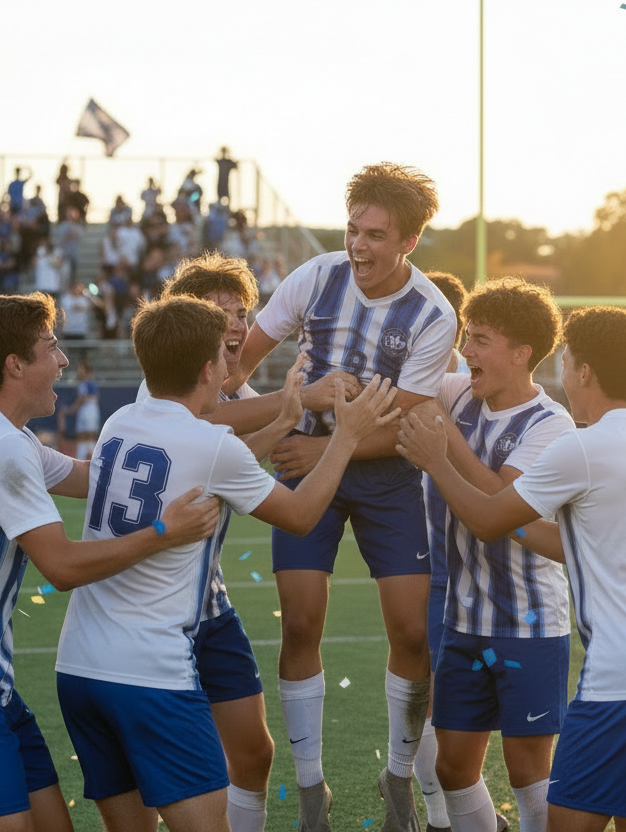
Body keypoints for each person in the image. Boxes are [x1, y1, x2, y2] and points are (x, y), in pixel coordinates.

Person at [55, 295, 401, 832]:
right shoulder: (211, 445)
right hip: (149, 672)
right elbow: (302, 514)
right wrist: (348, 437)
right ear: (207, 368)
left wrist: (284, 417)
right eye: (224, 355)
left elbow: (219, 466)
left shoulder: (121, 420)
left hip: (78, 667)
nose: (230, 367)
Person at [0, 292, 222, 831]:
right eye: (51, 347)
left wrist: (204, 453)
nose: (63, 360)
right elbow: (60, 568)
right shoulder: (1, 449)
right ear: (16, 365)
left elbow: (100, 478)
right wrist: (163, 532)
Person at [398, 305, 626, 832]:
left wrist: (437, 461)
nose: (560, 372)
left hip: (621, 674)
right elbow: (571, 540)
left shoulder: (582, 447)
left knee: (563, 821)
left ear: (583, 371)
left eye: (565, 361)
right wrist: (511, 519)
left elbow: (490, 519)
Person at [223, 162, 455, 832]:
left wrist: (320, 448)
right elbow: (240, 365)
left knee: (412, 631)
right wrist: (268, 414)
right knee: (299, 622)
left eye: (376, 235)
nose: (358, 245)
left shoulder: (433, 314)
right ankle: (310, 789)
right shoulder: (316, 276)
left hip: (380, 471)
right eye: (353, 229)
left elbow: (406, 425)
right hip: (304, 463)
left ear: (408, 242)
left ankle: (400, 777)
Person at [407, 277, 575, 832]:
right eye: (465, 337)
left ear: (521, 354)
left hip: (527, 623)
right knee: (453, 766)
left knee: (529, 772)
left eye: (480, 340)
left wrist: (442, 446)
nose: (466, 351)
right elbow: (403, 387)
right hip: (463, 621)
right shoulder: (458, 393)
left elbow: (498, 504)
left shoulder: (551, 425)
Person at [63, 358, 100, 460]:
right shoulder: (84, 384)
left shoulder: (88, 383)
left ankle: (91, 456)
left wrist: (71, 409)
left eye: (81, 369)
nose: (79, 371)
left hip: (89, 410)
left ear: (86, 370)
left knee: (89, 434)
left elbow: (82, 399)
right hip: (86, 410)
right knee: (82, 434)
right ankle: (82, 457)